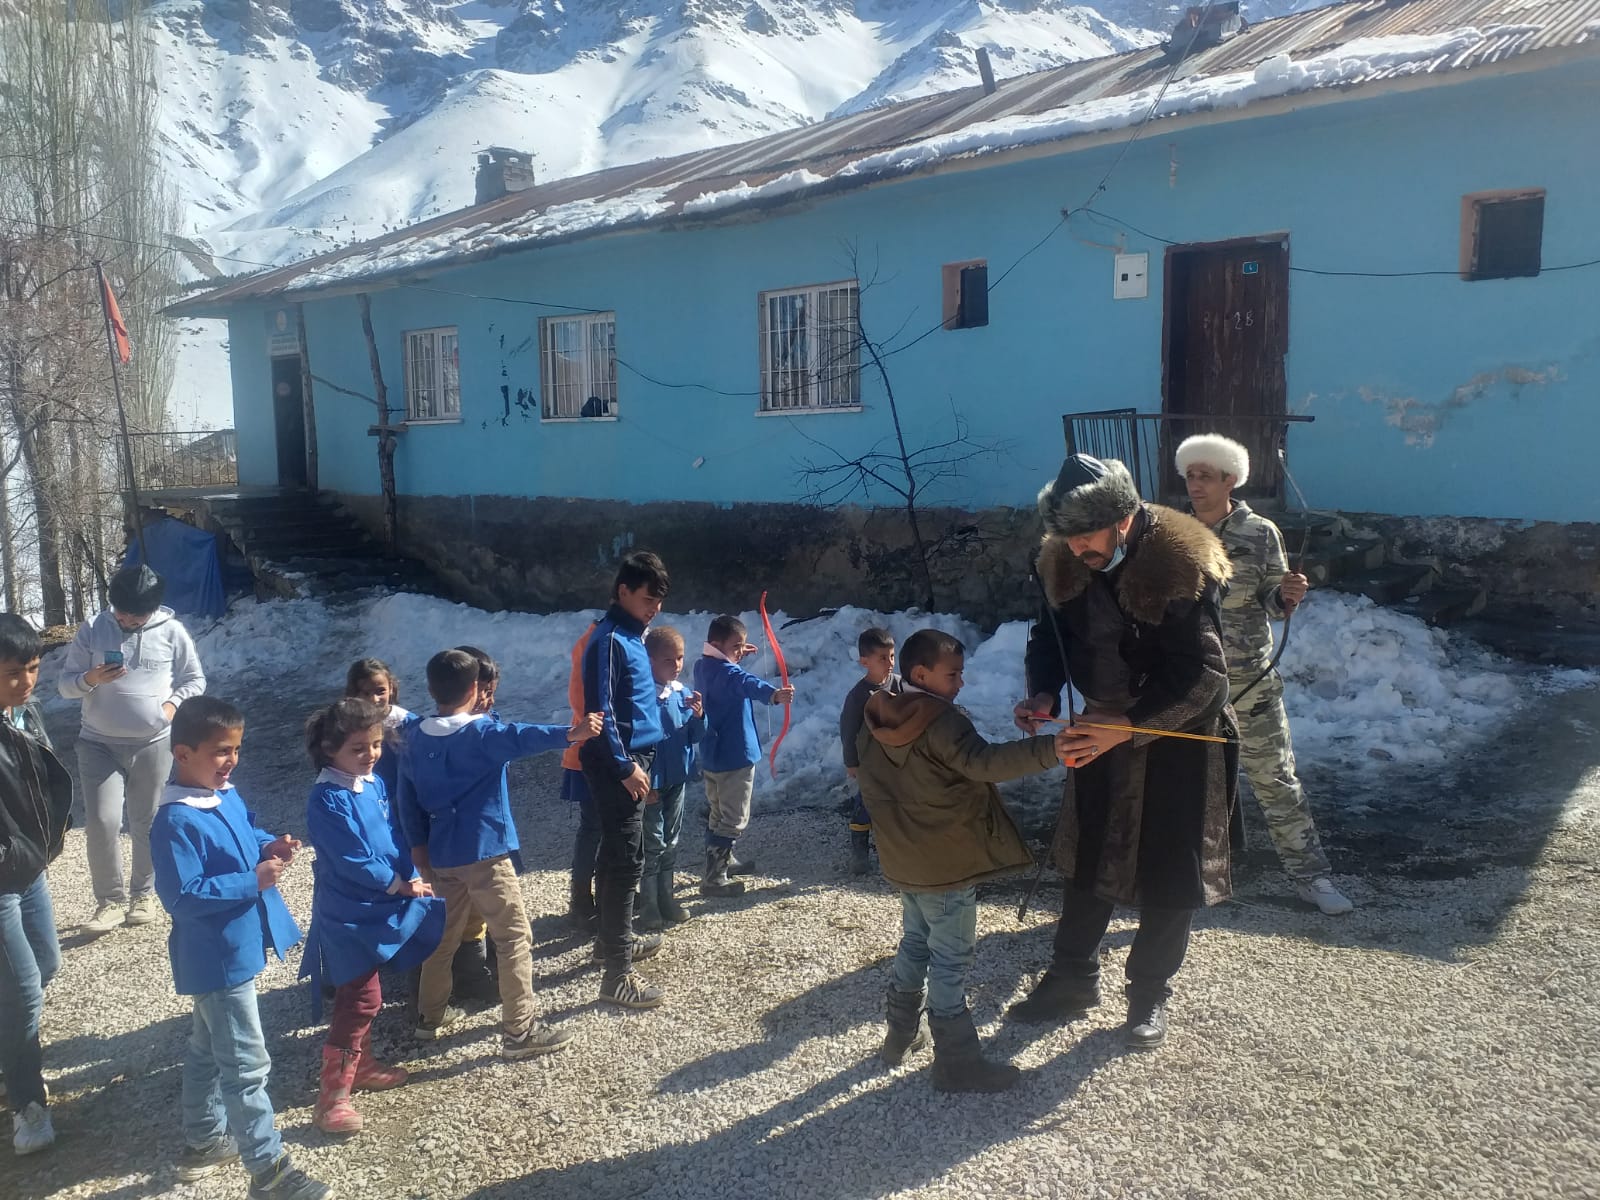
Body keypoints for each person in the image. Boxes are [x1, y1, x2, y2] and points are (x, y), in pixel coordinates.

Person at [1010, 454, 1238, 1051]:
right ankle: (1071, 980)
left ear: (1126, 519)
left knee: (1168, 868)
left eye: (1088, 534)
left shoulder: (1179, 568)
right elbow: (1050, 638)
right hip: (1099, 728)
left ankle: (1148, 995)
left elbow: (1208, 681)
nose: (1079, 547)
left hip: (1179, 735)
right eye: (1068, 535)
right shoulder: (1061, 559)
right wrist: (1042, 690)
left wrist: (1130, 725)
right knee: (1088, 854)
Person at [858, 629, 1069, 1093]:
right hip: (945, 865)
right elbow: (983, 763)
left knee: (916, 942)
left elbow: (868, 778)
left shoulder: (878, 711)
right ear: (920, 674)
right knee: (950, 960)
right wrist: (1053, 749)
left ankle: (899, 1037)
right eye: (953, 674)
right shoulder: (941, 720)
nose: (961, 684)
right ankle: (957, 1063)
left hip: (907, 859)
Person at [149, 697, 328, 1200]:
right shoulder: (174, 821)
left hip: (236, 948)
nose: (231, 761)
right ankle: (268, 1171)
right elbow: (182, 896)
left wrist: (269, 844)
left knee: (209, 1048)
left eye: (236, 750)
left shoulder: (221, 792)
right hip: (216, 957)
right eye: (220, 752)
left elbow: (247, 828)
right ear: (182, 753)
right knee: (247, 1065)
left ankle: (204, 1140)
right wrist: (251, 880)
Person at [1177, 434, 1354, 916]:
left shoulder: (1260, 533)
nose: (1195, 485)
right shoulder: (1172, 533)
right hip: (1191, 684)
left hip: (1249, 683)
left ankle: (1311, 877)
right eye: (1189, 475)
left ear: (1230, 480)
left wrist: (1287, 594)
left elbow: (1274, 603)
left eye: (1205, 476)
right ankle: (1183, 881)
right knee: (1189, 785)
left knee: (1275, 780)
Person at [396, 649, 598, 1056]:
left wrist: (419, 849)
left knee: (444, 937)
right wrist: (572, 734)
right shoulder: (481, 734)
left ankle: (428, 1015)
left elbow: (407, 798)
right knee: (513, 938)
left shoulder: (414, 737)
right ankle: (519, 1031)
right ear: (475, 689)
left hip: (442, 854)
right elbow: (524, 736)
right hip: (486, 852)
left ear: (432, 689)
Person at [302, 698, 444, 1135]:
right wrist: (397, 884)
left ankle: (359, 1067)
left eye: (376, 745)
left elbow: (392, 831)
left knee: (367, 990)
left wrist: (411, 871)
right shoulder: (327, 798)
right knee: (361, 997)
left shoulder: (371, 784)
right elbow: (351, 858)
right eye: (358, 748)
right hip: (349, 911)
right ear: (330, 750)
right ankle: (332, 1098)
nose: (371, 755)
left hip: (377, 902)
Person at [59, 564, 206, 934]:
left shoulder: (172, 632)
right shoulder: (93, 629)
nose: (126, 619)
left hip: (153, 743)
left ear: (153, 609)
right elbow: (63, 685)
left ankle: (143, 894)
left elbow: (194, 679)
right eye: (121, 611)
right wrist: (89, 679)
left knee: (146, 822)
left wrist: (172, 706)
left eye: (136, 614)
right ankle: (108, 901)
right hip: (97, 743)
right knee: (103, 822)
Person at [580, 552, 672, 1009]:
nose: (653, 607)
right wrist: (624, 766)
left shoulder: (636, 636)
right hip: (619, 761)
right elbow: (602, 713)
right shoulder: (610, 639)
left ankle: (610, 941)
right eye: (646, 598)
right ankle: (617, 975)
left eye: (658, 600)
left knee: (618, 853)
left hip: (636, 755)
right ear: (623, 592)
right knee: (626, 861)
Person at [0, 615, 72, 1155]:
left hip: (29, 870)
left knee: (46, 965)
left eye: (32, 667)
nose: (26, 681)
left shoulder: (24, 712)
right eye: (11, 672)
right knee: (23, 993)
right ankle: (27, 1103)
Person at [692, 614, 795, 898]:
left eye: (743, 646)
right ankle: (714, 878)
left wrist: (735, 653)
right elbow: (745, 682)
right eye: (737, 646)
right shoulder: (729, 674)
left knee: (718, 811)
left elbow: (729, 671)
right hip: (734, 758)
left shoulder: (703, 666)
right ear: (716, 644)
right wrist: (774, 695)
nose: (741, 651)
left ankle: (722, 862)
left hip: (714, 756)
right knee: (733, 818)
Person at [637, 626, 704, 932]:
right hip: (651, 783)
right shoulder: (641, 698)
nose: (676, 665)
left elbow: (693, 736)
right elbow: (637, 743)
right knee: (652, 844)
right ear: (649, 660)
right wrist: (645, 780)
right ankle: (649, 905)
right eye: (668, 660)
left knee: (672, 840)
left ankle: (667, 898)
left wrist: (700, 717)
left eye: (679, 658)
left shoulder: (682, 694)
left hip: (677, 778)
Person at [839, 627, 900, 876]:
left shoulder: (898, 684)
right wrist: (851, 762)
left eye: (892, 656)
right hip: (868, 763)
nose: (889, 663)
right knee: (865, 806)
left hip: (896, 761)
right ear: (865, 662)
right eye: (882, 658)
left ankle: (895, 853)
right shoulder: (858, 696)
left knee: (895, 807)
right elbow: (848, 730)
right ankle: (859, 853)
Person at [563, 622, 600, 933]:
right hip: (591, 752)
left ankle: (603, 895)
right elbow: (580, 701)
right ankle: (581, 900)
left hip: (608, 752)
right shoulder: (594, 640)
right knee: (593, 828)